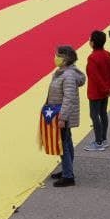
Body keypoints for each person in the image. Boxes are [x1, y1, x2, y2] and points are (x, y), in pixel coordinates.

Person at [46, 45, 85, 187]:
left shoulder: (67, 76)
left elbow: (69, 98)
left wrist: (62, 117)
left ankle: (68, 176)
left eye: (57, 55)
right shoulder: (62, 72)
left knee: (63, 144)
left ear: (65, 59)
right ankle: (66, 170)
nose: (55, 57)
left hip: (62, 115)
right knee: (66, 141)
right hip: (59, 112)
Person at [84, 31, 110, 152]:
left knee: (94, 115)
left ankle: (98, 142)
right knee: (103, 113)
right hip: (105, 90)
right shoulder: (107, 54)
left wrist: (105, 89)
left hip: (96, 91)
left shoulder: (92, 57)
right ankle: (103, 139)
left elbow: (95, 77)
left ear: (92, 43)